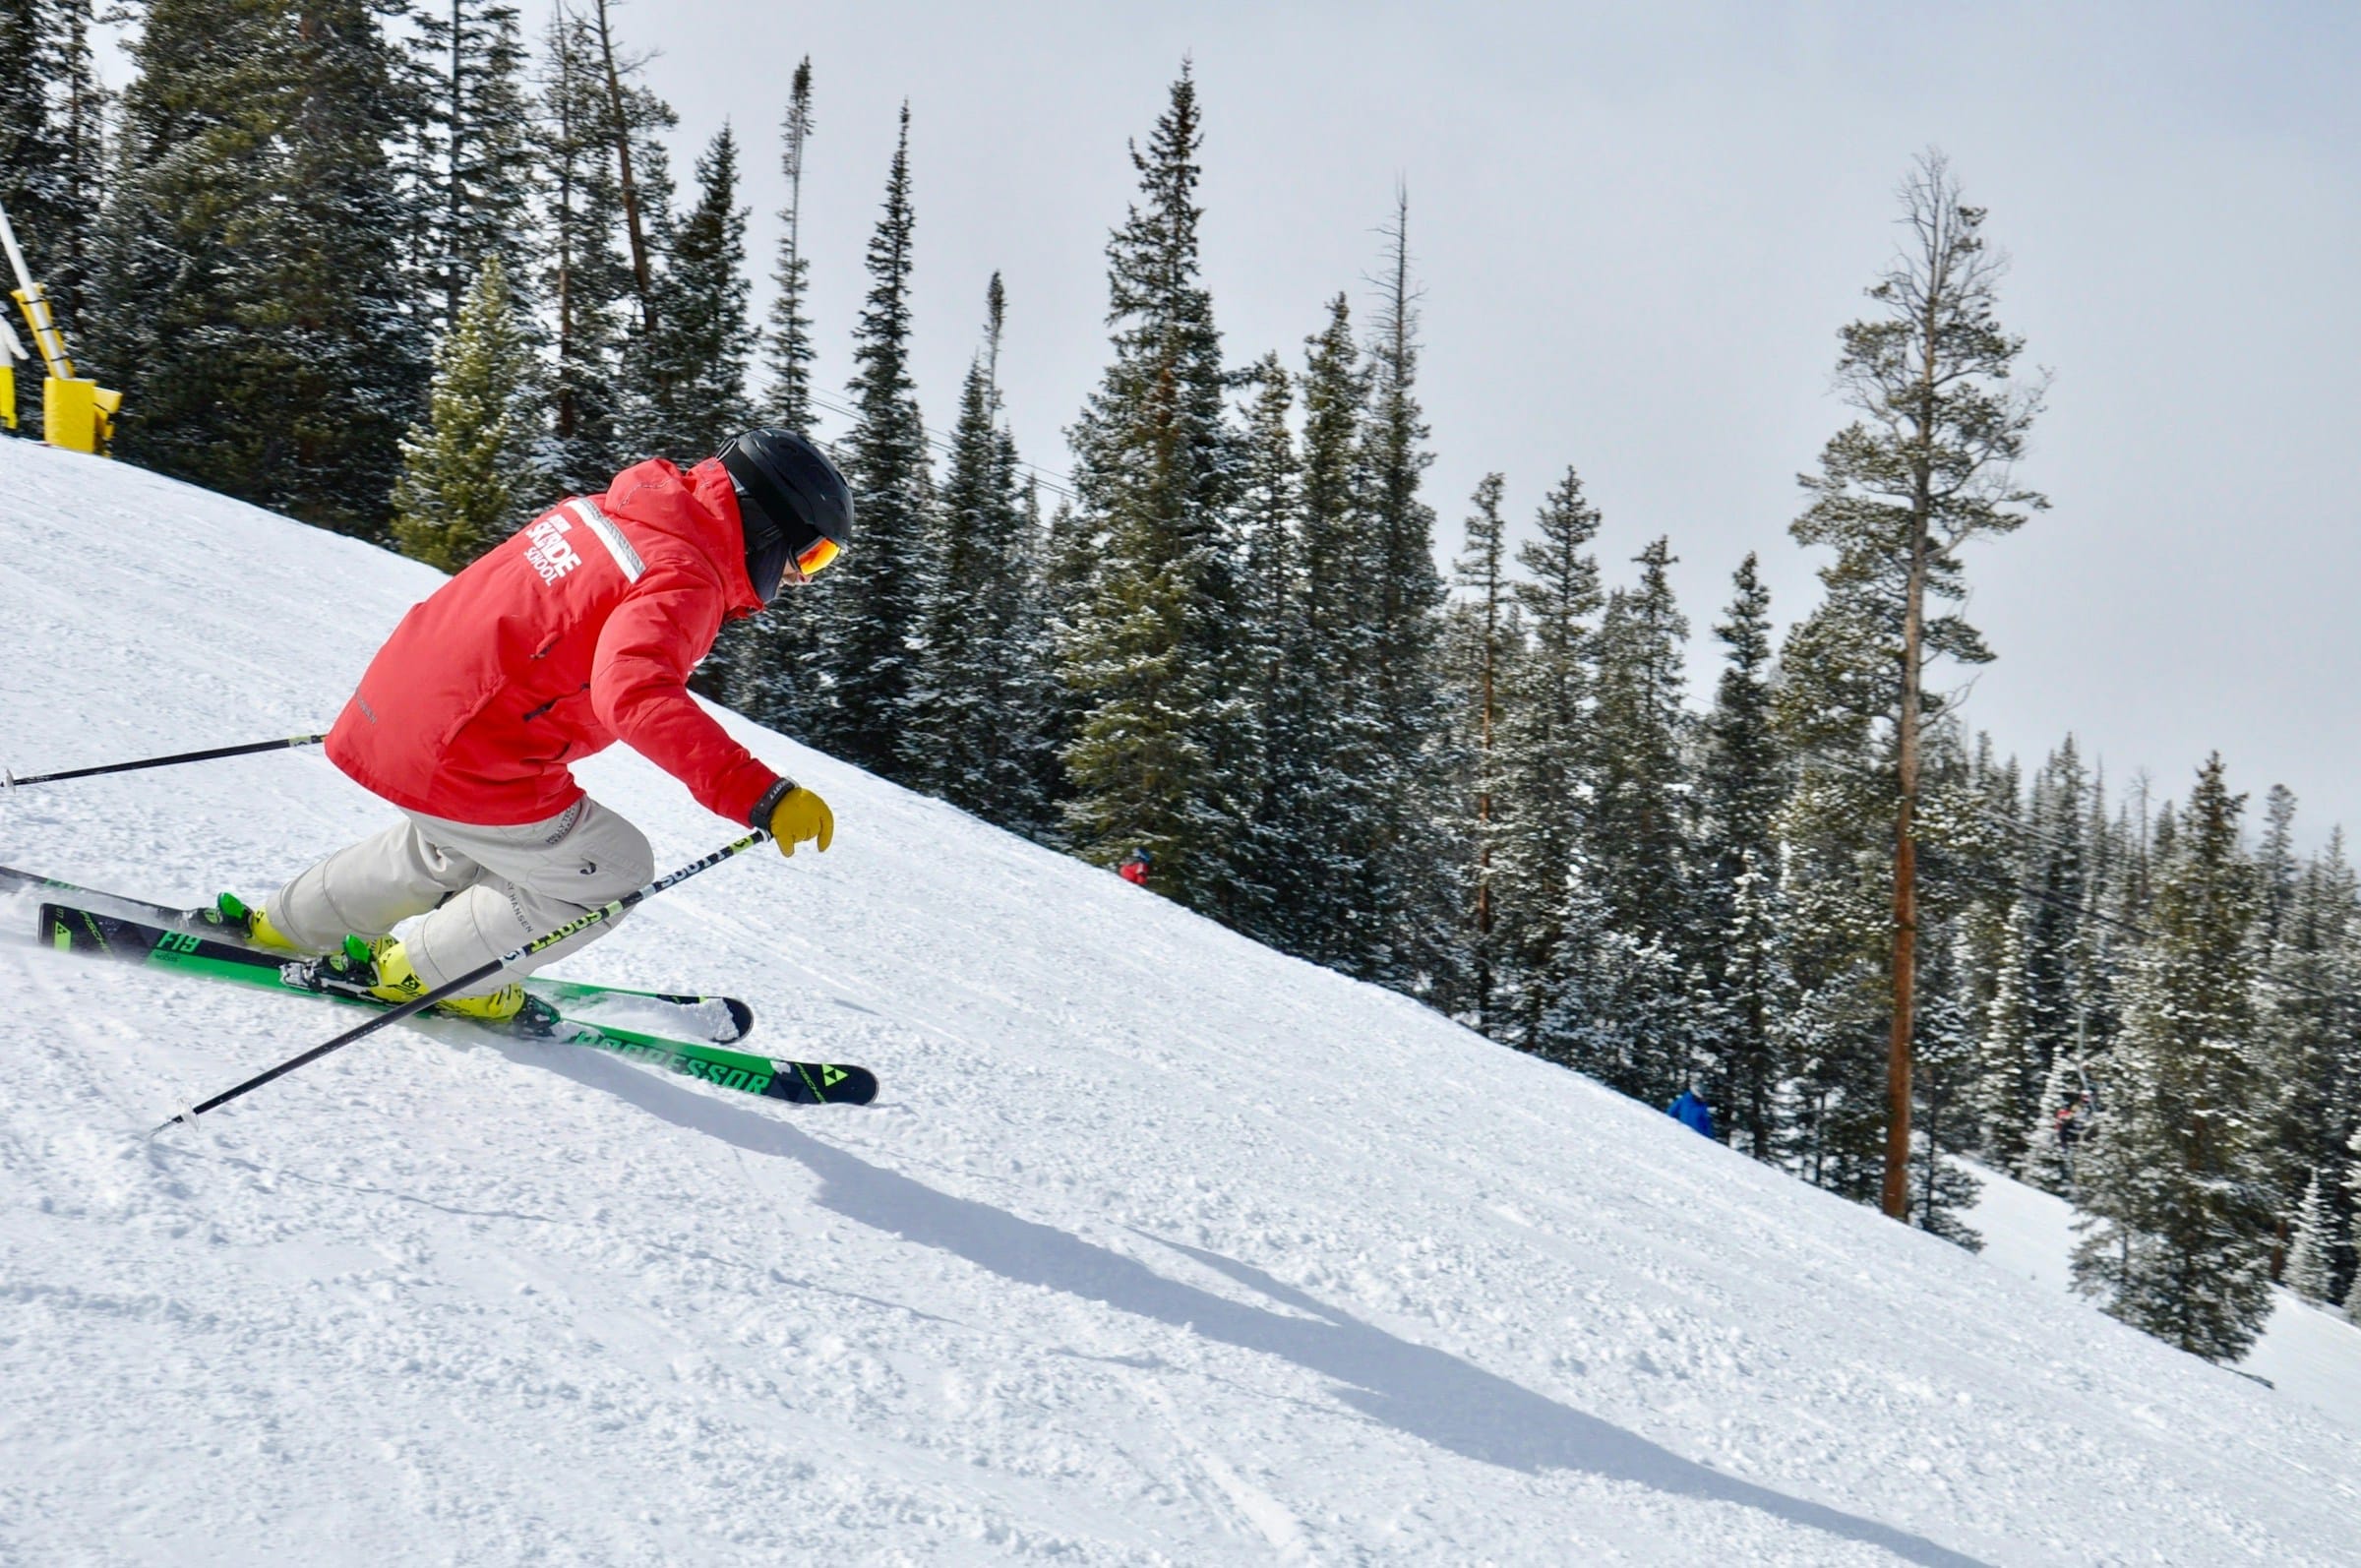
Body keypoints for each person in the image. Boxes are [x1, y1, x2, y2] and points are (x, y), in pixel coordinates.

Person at [207, 429, 853, 1019]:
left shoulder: (612, 510)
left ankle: (288, 924)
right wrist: (761, 794)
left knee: (452, 846)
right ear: (769, 522)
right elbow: (633, 694)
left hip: (404, 707)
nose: (801, 577)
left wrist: (422, 709)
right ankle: (423, 974)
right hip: (465, 748)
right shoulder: (686, 573)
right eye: (814, 555)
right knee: (613, 868)